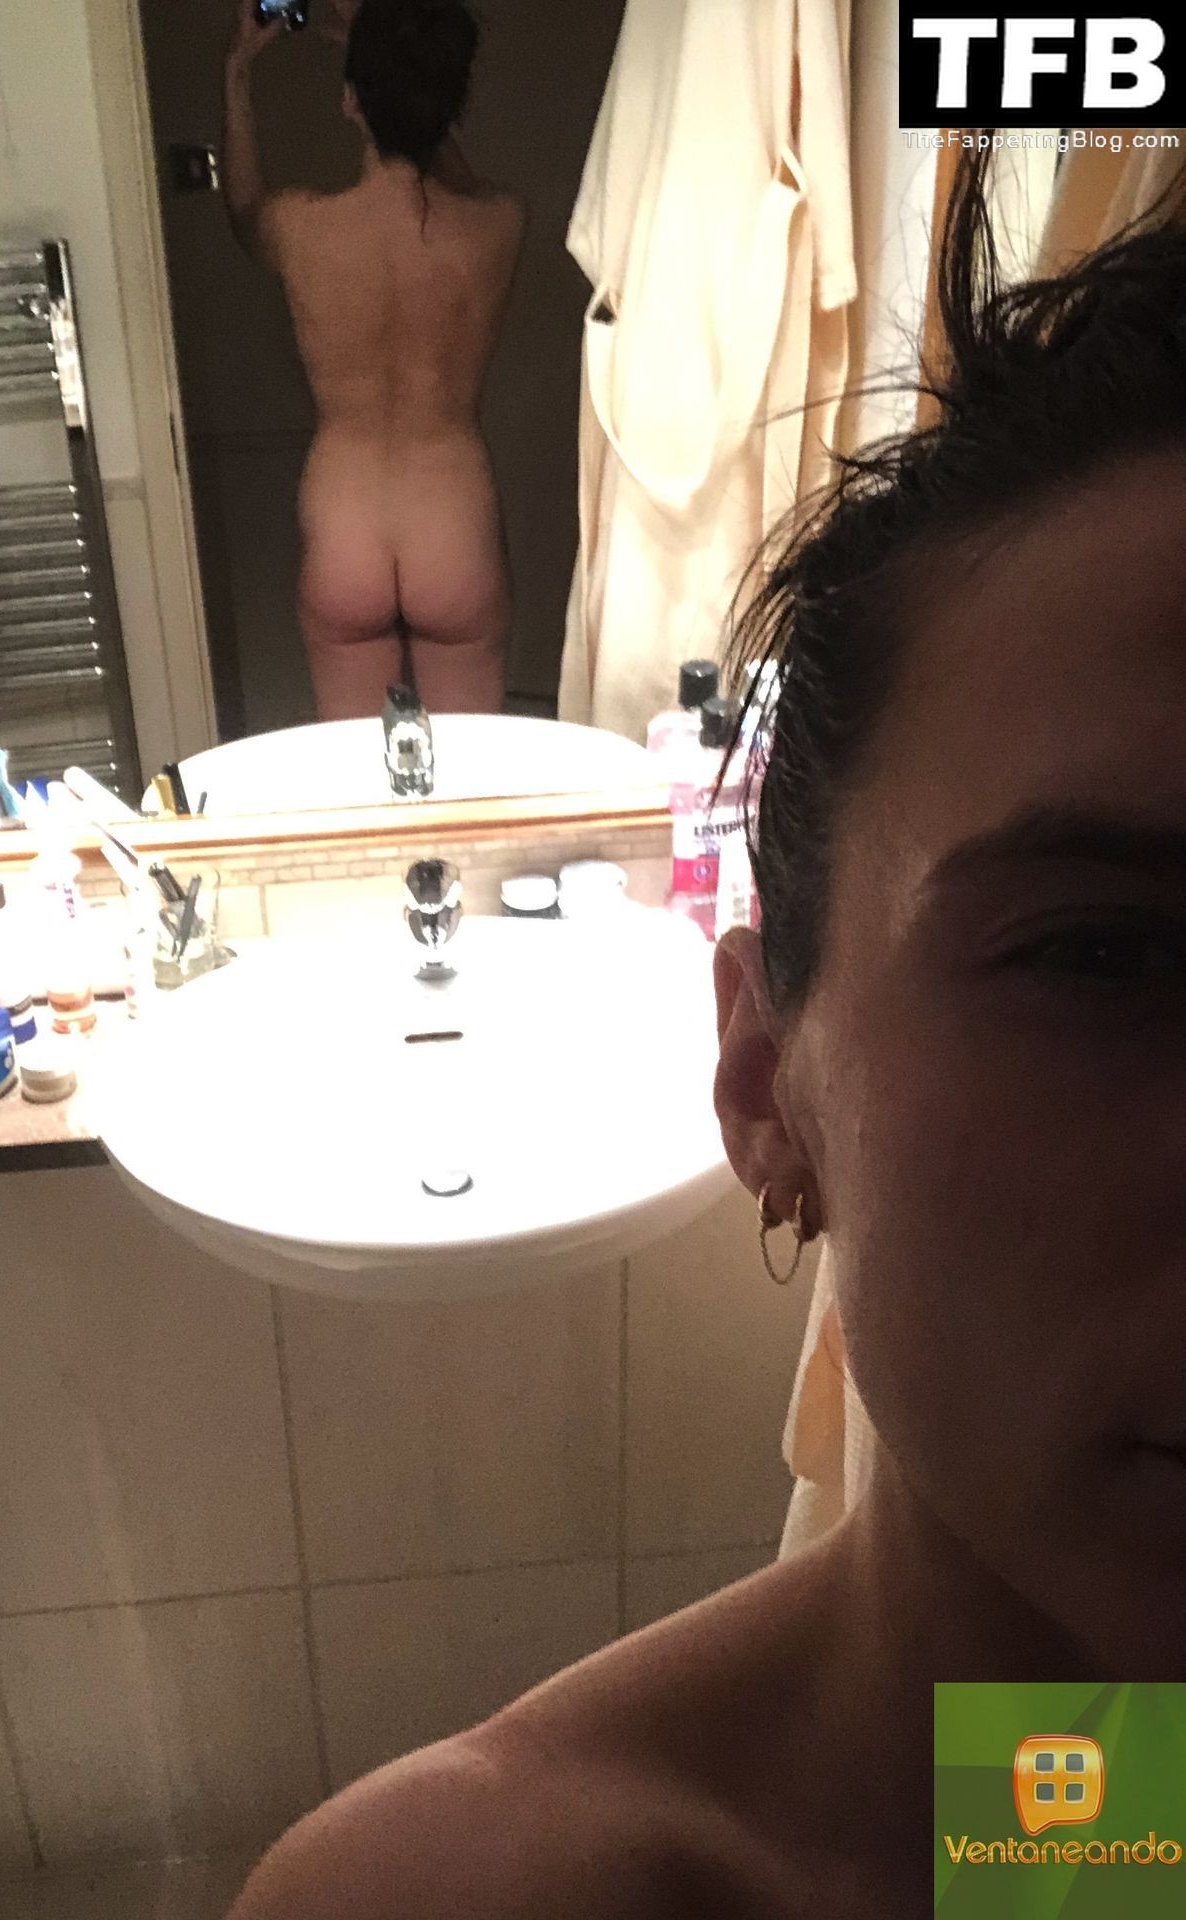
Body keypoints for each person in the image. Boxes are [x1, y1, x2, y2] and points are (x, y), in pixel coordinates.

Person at [224, 142, 1186, 1917]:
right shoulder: (480, 1894)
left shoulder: (1083, 1819)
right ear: (764, 1079)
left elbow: (1069, 1837)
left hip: (348, 499)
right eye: (1108, 955)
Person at [223, 0, 524, 722]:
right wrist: (410, 86)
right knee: (474, 775)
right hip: (450, 523)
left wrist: (239, 70)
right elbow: (455, 170)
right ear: (449, 107)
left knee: (356, 776)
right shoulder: (498, 225)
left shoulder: (300, 227)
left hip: (345, 525)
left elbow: (242, 207)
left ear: (350, 102)